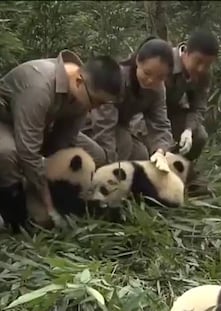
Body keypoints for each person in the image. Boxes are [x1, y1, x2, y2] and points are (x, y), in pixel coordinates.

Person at [0, 50, 123, 228]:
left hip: (40, 127)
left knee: (96, 155)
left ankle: (68, 201)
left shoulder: (82, 96)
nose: (95, 109)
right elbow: (28, 151)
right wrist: (49, 207)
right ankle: (15, 213)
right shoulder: (40, 86)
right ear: (79, 82)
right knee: (8, 153)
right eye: (96, 102)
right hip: (7, 122)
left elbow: (63, 142)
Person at [82, 37, 175, 173]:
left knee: (141, 155)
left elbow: (160, 124)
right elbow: (103, 126)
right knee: (123, 142)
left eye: (160, 77)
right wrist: (110, 167)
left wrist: (160, 151)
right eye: (147, 73)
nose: (151, 80)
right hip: (92, 126)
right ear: (138, 61)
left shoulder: (158, 90)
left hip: (121, 128)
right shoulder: (117, 78)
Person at [165, 29, 219, 161]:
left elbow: (198, 106)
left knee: (199, 136)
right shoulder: (165, 62)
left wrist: (188, 130)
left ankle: (182, 168)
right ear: (186, 53)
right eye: (198, 61)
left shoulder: (204, 74)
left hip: (172, 113)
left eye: (207, 64)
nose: (201, 68)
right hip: (145, 115)